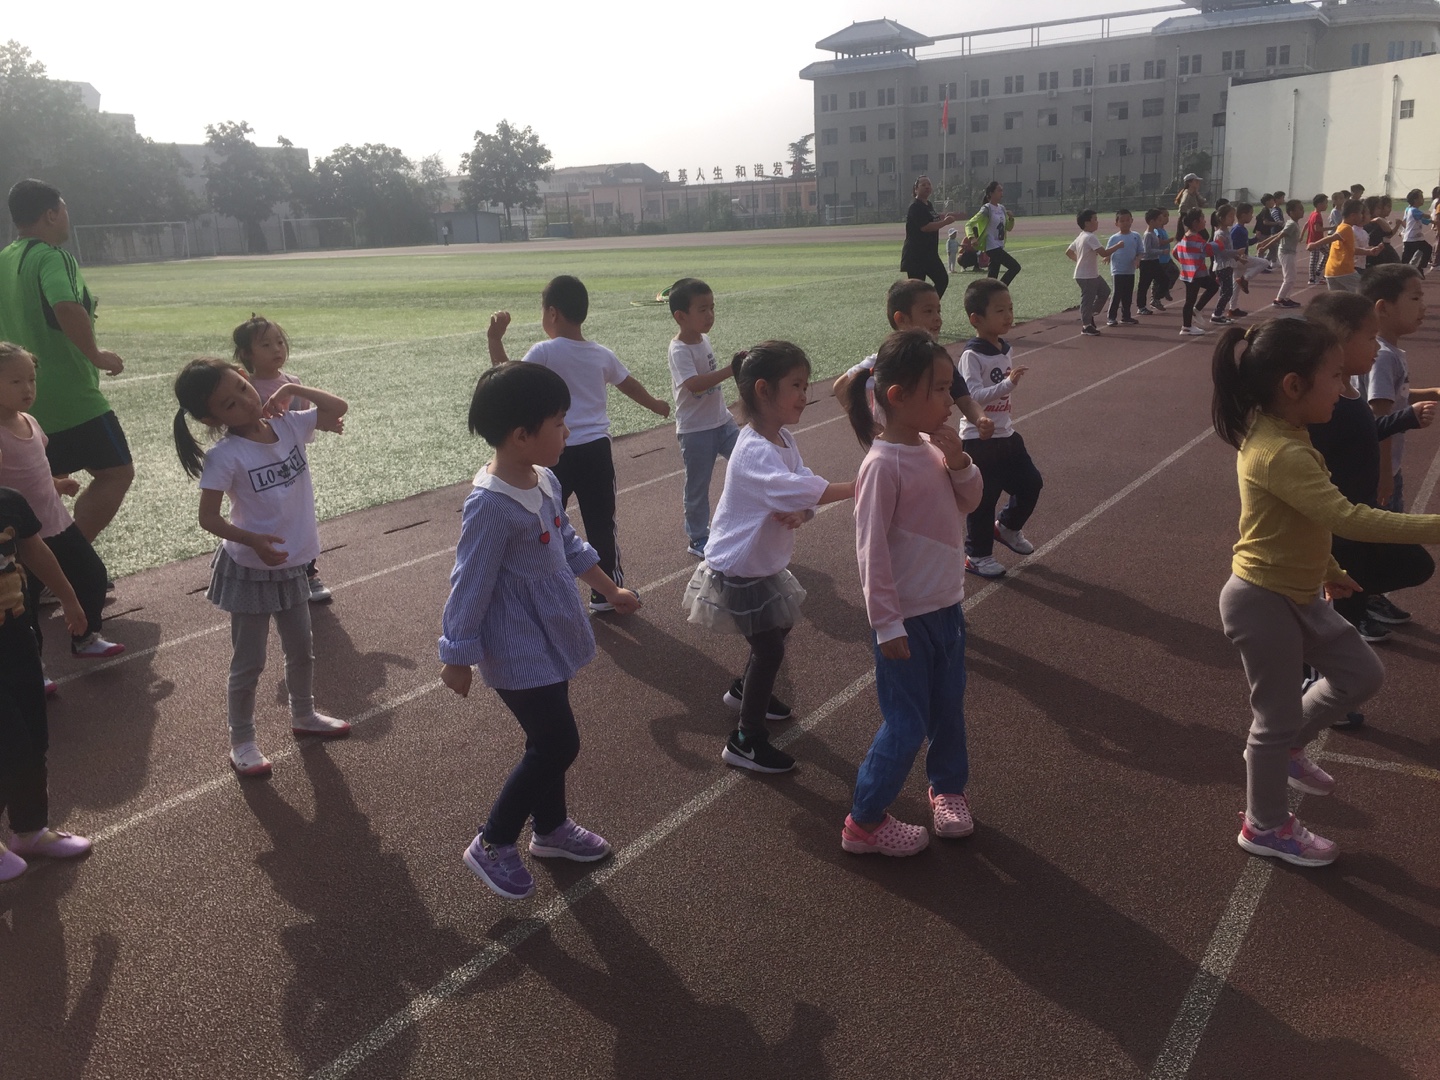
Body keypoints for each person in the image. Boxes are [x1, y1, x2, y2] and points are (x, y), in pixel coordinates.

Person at [1211, 317, 1440, 867]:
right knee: (1271, 721)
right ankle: (1264, 826)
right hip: (1262, 601)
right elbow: (1345, 516)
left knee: (1362, 675)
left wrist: (1329, 566)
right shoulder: (1280, 450)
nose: (1345, 387)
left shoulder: (1288, 435)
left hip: (1298, 591)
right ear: (1293, 385)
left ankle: (1289, 746)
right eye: (1335, 376)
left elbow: (1301, 521)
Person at [439, 362, 639, 900]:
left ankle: (550, 829)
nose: (567, 431)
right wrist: (457, 655)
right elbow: (469, 583)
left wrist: (609, 588)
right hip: (515, 647)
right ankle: (493, 839)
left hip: (551, 634)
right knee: (557, 742)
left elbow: (569, 542)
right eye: (558, 422)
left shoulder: (544, 479)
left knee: (547, 739)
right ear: (521, 435)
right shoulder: (489, 505)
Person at [841, 328, 983, 856]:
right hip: (906, 620)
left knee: (948, 708)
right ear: (898, 397)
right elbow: (870, 551)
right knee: (907, 722)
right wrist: (886, 624)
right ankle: (864, 821)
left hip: (946, 608)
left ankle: (947, 789)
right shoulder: (882, 466)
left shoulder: (930, 448)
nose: (951, 400)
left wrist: (961, 462)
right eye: (940, 390)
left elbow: (969, 502)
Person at [173, 358, 352, 777]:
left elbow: (338, 408)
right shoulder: (225, 455)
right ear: (211, 419)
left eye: (242, 387)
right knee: (249, 662)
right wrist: (251, 539)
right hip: (252, 568)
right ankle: (242, 741)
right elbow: (208, 519)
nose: (245, 401)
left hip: (290, 563)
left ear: (246, 377)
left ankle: (304, 714)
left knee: (301, 650)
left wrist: (293, 390)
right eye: (228, 404)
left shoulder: (288, 425)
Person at [682, 341, 854, 775]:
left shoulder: (782, 438)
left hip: (761, 563)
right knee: (770, 649)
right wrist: (860, 485)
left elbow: (800, 482)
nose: (805, 394)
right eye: (796, 385)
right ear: (763, 390)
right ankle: (745, 740)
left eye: (805, 385)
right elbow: (793, 486)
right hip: (739, 566)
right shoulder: (754, 450)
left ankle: (745, 690)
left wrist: (804, 512)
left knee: (780, 623)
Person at [488, 275, 671, 610]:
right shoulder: (601, 354)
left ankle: (547, 591)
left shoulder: (544, 351)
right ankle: (607, 591)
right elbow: (630, 385)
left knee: (545, 522)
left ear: (552, 313)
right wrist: (657, 405)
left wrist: (495, 339)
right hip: (596, 452)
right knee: (602, 522)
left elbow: (509, 382)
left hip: (553, 451)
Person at [0, 180, 130, 545]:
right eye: (65, 209)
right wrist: (97, 355)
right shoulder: (51, 256)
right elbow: (66, 306)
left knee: (37, 485)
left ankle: (30, 568)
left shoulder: (4, 258)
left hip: (18, 403)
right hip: (69, 397)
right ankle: (71, 554)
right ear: (51, 214)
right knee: (117, 471)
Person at [1305, 291, 1435, 645]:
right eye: (1369, 338)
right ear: (1337, 343)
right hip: (1343, 522)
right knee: (1344, 617)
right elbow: (1313, 458)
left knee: (1416, 565)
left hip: (1362, 512)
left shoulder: (1347, 391)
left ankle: (1350, 603)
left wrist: (1404, 418)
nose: (1377, 347)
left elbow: (1364, 433)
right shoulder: (1324, 404)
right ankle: (1337, 615)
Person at [0, 343, 121, 664]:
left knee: (92, 575)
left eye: (31, 379)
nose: (28, 389)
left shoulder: (30, 421)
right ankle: (33, 666)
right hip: (24, 538)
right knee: (25, 603)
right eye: (16, 381)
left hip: (57, 522)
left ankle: (86, 637)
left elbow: (35, 468)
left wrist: (56, 483)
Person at [0, 485, 92, 882]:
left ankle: (30, 830)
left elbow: (35, 550)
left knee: (34, 735)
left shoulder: (8, 502)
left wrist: (69, 598)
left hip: (16, 633)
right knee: (10, 742)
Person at [232, 314, 332, 603]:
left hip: (291, 464)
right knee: (269, 517)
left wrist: (325, 422)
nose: (277, 349)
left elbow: (304, 422)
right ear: (247, 354)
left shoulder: (293, 383)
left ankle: (308, 574)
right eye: (266, 345)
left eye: (279, 342)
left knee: (299, 516)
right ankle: (263, 570)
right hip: (260, 468)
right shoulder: (246, 387)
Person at [954, 279, 1043, 579]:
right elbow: (971, 396)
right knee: (984, 499)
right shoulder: (972, 355)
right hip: (979, 439)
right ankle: (977, 555)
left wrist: (1006, 387)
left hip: (1006, 434)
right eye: (999, 310)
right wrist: (1007, 385)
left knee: (1031, 483)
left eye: (1010, 308)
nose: (1008, 316)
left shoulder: (1005, 348)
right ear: (976, 319)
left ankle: (1006, 526)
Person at [831, 278, 994, 441]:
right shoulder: (885, 360)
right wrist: (868, 425)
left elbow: (965, 400)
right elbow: (841, 386)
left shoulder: (938, 361)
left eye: (938, 311)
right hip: (893, 447)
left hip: (927, 445)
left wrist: (980, 419)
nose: (937, 318)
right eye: (928, 311)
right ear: (901, 319)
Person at [666, 278, 738, 559]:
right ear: (681, 316)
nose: (710, 315)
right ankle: (697, 537)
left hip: (722, 421)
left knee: (748, 457)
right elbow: (694, 385)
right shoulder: (679, 350)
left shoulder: (703, 339)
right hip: (696, 430)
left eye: (712, 308)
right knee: (697, 486)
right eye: (702, 309)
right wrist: (730, 370)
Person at [1363, 264, 1438, 513]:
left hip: (1386, 467)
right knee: (1386, 530)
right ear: (1383, 308)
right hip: (1379, 471)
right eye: (1415, 299)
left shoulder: (1386, 350)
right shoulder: (1383, 356)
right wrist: (1385, 474)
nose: (1423, 307)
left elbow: (1394, 397)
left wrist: (1433, 393)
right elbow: (1381, 418)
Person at [1066, 208, 1124, 337]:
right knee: (1087, 299)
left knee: (1104, 291)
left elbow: (1069, 252)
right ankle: (1086, 326)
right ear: (1087, 223)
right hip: (1086, 276)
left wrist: (1079, 261)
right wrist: (1118, 246)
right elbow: (1104, 253)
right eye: (1095, 219)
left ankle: (1089, 314)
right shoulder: (1090, 237)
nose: (1097, 222)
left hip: (1091, 274)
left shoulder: (1081, 236)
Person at [900, 176, 959, 298]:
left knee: (942, 280)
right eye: (923, 185)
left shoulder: (929, 205)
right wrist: (945, 222)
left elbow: (933, 221)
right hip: (916, 255)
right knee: (917, 291)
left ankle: (929, 305)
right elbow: (925, 227)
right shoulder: (915, 206)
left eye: (929, 184)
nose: (927, 187)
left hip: (930, 254)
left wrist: (943, 219)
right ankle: (920, 308)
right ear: (916, 189)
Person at [1310, 200, 1380, 294]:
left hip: (1331, 271)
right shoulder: (1347, 228)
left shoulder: (1341, 227)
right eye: (1360, 213)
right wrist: (1315, 244)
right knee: (1364, 293)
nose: (1362, 216)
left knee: (1340, 299)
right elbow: (1333, 237)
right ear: (1353, 216)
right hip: (1344, 270)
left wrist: (1369, 252)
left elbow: (1351, 249)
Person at [1175, 208, 1220, 336]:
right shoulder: (1194, 239)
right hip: (1193, 275)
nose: (1205, 221)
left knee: (1213, 286)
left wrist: (1185, 261)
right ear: (1195, 223)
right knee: (1190, 300)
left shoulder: (1186, 237)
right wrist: (1220, 244)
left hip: (1195, 273)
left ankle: (1197, 310)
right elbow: (1208, 250)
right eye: (1202, 218)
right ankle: (1186, 327)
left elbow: (1175, 252)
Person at [968, 182, 1021, 286]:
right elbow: (969, 224)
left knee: (992, 278)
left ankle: (988, 293)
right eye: (999, 190)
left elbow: (1008, 228)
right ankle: (999, 289)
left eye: (1002, 190)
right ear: (991, 193)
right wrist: (972, 237)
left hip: (999, 246)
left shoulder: (1002, 208)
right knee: (1015, 267)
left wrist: (1011, 219)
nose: (1002, 193)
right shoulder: (986, 209)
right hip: (992, 247)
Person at [1257, 198, 1306, 308]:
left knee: (1291, 277)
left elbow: (1278, 234)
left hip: (1290, 253)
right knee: (1289, 278)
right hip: (1286, 253)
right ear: (1292, 212)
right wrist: (1264, 247)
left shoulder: (1292, 223)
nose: (1302, 211)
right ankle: (1279, 299)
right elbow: (1279, 236)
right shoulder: (1291, 224)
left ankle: (1286, 298)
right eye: (1300, 209)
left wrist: (1264, 242)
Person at [1105, 208, 1144, 327]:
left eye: (1128, 220)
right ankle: (1111, 317)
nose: (1125, 223)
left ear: (1132, 220)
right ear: (1116, 223)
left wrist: (1137, 259)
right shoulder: (1114, 238)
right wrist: (1107, 257)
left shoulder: (1136, 236)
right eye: (1122, 221)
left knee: (1128, 294)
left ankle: (1126, 316)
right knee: (1117, 294)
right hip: (1117, 270)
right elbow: (1108, 251)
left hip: (1130, 270)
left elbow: (1140, 251)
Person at [1208, 204, 1240, 325]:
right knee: (1228, 291)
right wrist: (1236, 252)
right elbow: (1221, 252)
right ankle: (1216, 314)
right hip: (1222, 266)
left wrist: (1237, 257)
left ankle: (1219, 314)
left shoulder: (1226, 231)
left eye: (1233, 216)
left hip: (1228, 265)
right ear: (1221, 218)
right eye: (1230, 216)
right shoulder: (1220, 234)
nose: (1233, 219)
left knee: (1225, 291)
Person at [1138, 207, 1172, 315]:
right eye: (1159, 220)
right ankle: (1141, 307)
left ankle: (1156, 298)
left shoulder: (1153, 233)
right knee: (1144, 285)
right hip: (1147, 263)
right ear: (1152, 221)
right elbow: (1147, 251)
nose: (1161, 222)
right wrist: (1162, 252)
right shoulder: (1148, 234)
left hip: (1154, 261)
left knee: (1164, 280)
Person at [1400, 188, 1434, 276]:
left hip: (1417, 239)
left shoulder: (1412, 210)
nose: (1423, 199)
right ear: (1415, 200)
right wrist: (1432, 216)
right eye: (1421, 197)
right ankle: (1399, 274)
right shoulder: (1413, 210)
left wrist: (1432, 222)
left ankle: (1420, 267)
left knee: (1428, 249)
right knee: (1405, 260)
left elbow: (1423, 220)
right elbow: (1425, 216)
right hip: (1411, 240)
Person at [1305, 194, 1331, 286]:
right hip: (1315, 241)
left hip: (1319, 240)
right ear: (1319, 204)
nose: (1327, 205)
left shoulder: (1313, 213)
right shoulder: (1316, 215)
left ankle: (1318, 271)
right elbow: (1317, 229)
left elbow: (1307, 224)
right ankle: (1312, 279)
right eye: (1325, 203)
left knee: (1328, 253)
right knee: (1314, 260)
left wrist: (1302, 235)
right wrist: (1332, 228)